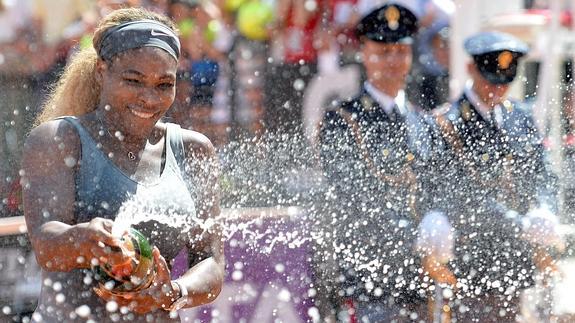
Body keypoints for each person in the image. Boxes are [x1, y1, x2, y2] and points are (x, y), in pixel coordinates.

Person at [21, 7, 224, 322]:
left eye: (163, 84)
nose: (148, 97)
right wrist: (83, 239)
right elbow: (46, 245)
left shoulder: (195, 150)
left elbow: (210, 263)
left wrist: (173, 293)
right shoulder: (59, 139)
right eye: (133, 80)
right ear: (102, 71)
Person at [318, 1, 444, 321]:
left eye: (401, 52)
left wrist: (439, 224)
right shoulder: (343, 120)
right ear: (364, 53)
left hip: (421, 281)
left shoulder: (425, 122)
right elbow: (354, 195)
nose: (393, 61)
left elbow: (438, 188)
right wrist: (415, 236)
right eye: (383, 52)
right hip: (370, 279)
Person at [431, 31, 561, 322]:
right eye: (490, 79)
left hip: (519, 265)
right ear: (470, 69)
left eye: (505, 80)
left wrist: (544, 208)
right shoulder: (446, 123)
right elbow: (458, 195)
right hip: (472, 267)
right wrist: (519, 223)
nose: (497, 89)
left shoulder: (520, 118)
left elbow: (543, 174)